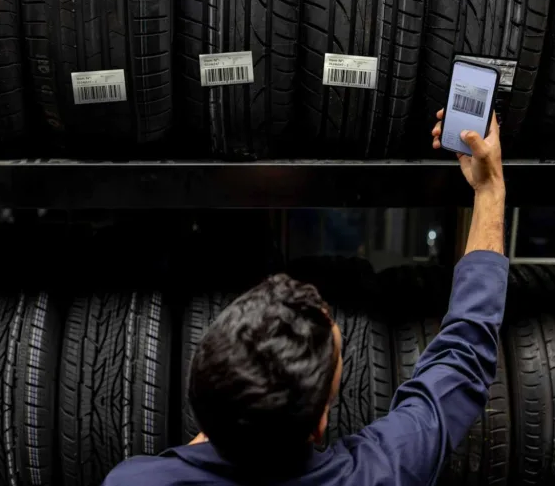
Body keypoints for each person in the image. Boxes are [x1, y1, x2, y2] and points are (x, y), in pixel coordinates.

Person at [102, 110, 509, 486]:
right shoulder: (371, 477)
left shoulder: (131, 481)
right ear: (318, 428)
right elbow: (463, 356)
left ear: (200, 393)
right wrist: (489, 189)